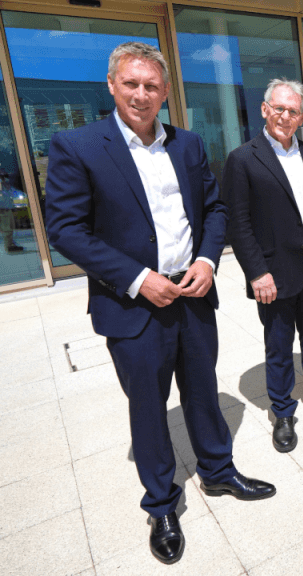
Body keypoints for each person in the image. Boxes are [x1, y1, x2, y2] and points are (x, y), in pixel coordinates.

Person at [44, 42, 275, 565]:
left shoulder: (187, 144)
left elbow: (214, 210)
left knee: (203, 391)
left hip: (193, 295)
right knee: (148, 407)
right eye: (131, 84)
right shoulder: (79, 146)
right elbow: (66, 230)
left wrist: (208, 260)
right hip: (133, 305)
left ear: (166, 91)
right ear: (112, 85)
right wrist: (137, 278)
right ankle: (162, 506)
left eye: (151, 86)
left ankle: (218, 472)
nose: (141, 95)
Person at [222, 79, 303, 454]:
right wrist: (256, 273)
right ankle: (283, 411)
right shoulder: (243, 159)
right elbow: (238, 223)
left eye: (293, 111)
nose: (285, 116)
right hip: (272, 270)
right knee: (278, 345)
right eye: (279, 108)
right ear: (265, 110)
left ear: (302, 116)